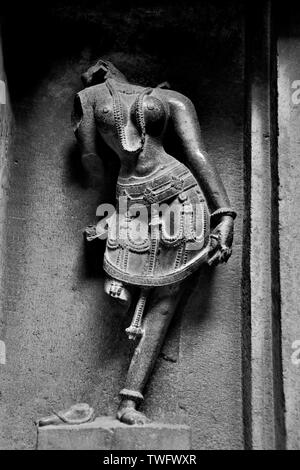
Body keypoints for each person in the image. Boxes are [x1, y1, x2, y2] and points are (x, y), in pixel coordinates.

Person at [72, 59, 236, 425]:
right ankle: (128, 397)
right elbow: (91, 161)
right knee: (120, 292)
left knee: (166, 302)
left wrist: (225, 213)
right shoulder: (89, 98)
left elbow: (197, 153)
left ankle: (129, 400)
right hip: (132, 198)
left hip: (179, 192)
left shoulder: (171, 99)